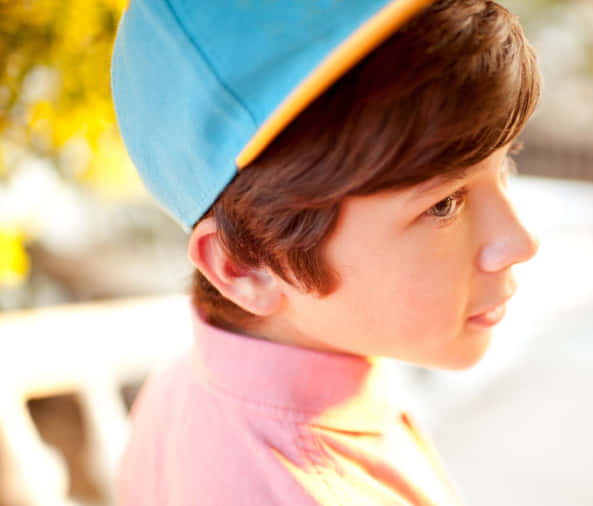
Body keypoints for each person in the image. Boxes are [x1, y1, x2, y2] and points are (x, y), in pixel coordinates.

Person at [111, 0, 541, 503]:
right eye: (443, 204)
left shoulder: (186, 385)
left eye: (505, 162)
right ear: (247, 265)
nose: (521, 242)